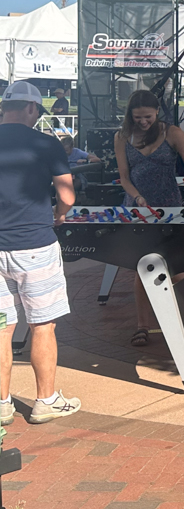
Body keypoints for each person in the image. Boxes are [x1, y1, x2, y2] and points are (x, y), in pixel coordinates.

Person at [0, 82, 81, 424]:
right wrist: (59, 215)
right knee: (42, 325)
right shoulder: (45, 143)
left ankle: (1, 404)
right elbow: (67, 196)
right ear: (31, 108)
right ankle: (45, 401)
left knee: (2, 327)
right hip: (34, 244)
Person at [115, 90, 184, 345]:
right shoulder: (122, 136)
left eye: (147, 117)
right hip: (137, 208)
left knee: (170, 262)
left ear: (157, 112)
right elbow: (124, 177)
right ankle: (146, 324)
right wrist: (137, 197)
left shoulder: (172, 133)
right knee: (141, 265)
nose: (142, 122)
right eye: (137, 117)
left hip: (169, 207)